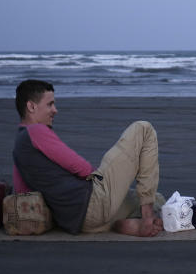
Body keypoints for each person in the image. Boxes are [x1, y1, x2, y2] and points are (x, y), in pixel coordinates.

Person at [12, 79, 163, 237]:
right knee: (143, 129)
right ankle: (146, 217)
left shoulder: (18, 145)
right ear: (31, 106)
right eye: (50, 104)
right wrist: (105, 181)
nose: (55, 110)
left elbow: (22, 191)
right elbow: (83, 169)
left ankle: (122, 224)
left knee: (156, 199)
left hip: (80, 222)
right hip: (94, 202)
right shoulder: (36, 130)